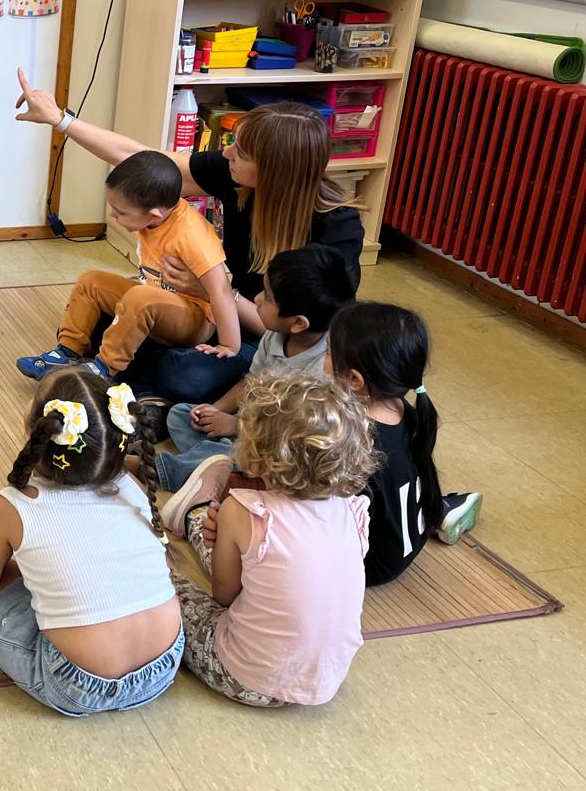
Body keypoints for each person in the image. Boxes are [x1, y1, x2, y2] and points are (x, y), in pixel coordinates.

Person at [13, 72, 364, 402]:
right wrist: (60, 119)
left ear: (275, 173)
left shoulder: (337, 230)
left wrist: (216, 292)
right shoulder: (237, 177)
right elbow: (147, 164)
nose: (226, 153)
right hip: (216, 314)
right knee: (109, 317)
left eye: (240, 152)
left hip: (272, 342)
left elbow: (304, 335)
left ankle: (141, 380)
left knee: (185, 375)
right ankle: (131, 372)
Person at [0, 370, 184, 716]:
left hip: (78, 684)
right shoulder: (131, 484)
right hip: (165, 663)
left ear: (37, 433)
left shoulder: (14, 506)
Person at [157, 371, 375, 708]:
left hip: (242, 676)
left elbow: (224, 596)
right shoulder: (354, 510)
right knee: (243, 548)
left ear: (259, 453)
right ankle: (196, 513)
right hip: (324, 680)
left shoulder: (245, 510)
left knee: (165, 583)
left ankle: (196, 511)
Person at [15, 149, 241, 381]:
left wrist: (229, 345)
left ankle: (104, 369)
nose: (113, 215)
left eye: (121, 212)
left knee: (139, 298)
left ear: (154, 215)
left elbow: (221, 291)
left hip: (194, 319)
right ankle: (67, 352)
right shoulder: (154, 216)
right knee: (90, 281)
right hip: (154, 300)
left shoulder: (191, 235)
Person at [151, 243, 354, 490]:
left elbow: (294, 437)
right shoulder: (275, 336)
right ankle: (223, 465)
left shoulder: (323, 369)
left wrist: (236, 427)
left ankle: (165, 470)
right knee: (180, 415)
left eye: (267, 298)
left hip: (279, 444)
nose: (256, 299)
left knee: (253, 457)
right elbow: (251, 381)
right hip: (249, 427)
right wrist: (215, 409)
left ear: (298, 323)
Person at [327, 302, 481, 584]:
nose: (323, 359)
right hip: (403, 545)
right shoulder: (403, 408)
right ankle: (441, 511)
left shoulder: (355, 440)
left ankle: (441, 510)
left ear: (354, 379)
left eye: (327, 352)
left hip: (369, 565)